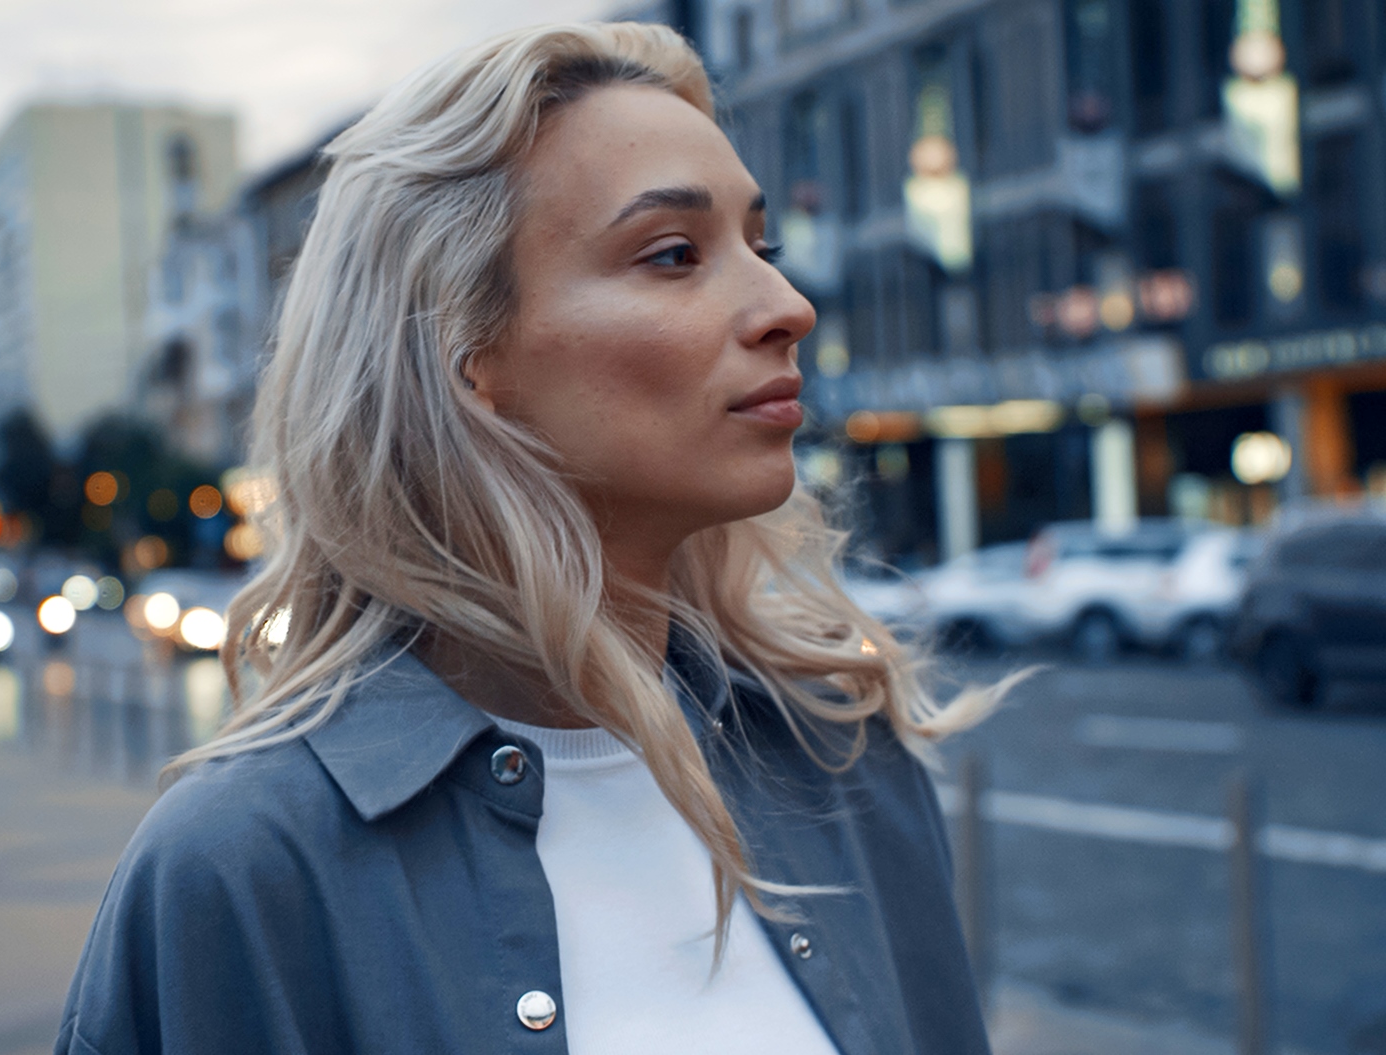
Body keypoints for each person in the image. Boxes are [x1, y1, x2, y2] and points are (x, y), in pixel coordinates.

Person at [54, 20, 1006, 1055]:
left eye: (760, 246)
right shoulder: (239, 869)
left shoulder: (840, 759)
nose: (786, 305)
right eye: (674, 254)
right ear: (469, 357)